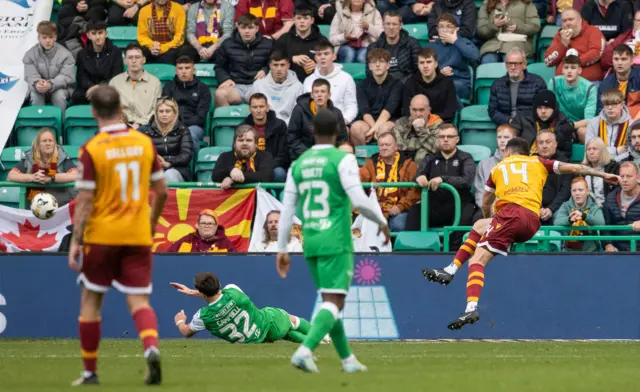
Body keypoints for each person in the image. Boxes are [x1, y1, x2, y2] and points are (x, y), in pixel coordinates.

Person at [421, 137, 619, 330]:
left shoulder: (498, 168)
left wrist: (495, 222)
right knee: (480, 226)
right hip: (532, 221)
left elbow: (486, 202)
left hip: (510, 215)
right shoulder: (539, 161)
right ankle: (450, 270)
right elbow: (575, 168)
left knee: (476, 261)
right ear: (528, 151)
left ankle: (470, 307)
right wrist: (602, 175)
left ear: (507, 152)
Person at [275, 109, 390, 373]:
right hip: (337, 239)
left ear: (312, 132)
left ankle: (348, 360)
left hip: (311, 241)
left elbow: (287, 209)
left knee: (331, 300)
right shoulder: (342, 160)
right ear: (339, 133)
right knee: (334, 301)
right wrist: (381, 222)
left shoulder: (299, 163)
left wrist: (281, 248)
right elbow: (360, 200)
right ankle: (304, 351)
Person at [67, 85, 168, 385]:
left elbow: (84, 200)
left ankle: (89, 373)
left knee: (90, 301)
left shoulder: (92, 150)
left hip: (102, 235)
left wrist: (76, 240)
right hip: (137, 234)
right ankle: (151, 348)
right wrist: (150, 223)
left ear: (94, 112)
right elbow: (161, 191)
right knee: (139, 302)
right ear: (121, 108)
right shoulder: (144, 143)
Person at [171, 272, 314, 343]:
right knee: (291, 320)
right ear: (219, 284)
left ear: (201, 292)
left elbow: (186, 332)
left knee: (286, 332)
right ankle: (322, 336)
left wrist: (180, 321)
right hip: (269, 323)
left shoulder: (202, 316)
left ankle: (319, 343)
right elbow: (218, 295)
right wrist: (195, 292)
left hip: (255, 339)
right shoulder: (233, 291)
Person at [410, 123, 478, 248]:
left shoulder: (465, 158)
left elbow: (467, 180)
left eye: (450, 136)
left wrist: (443, 179)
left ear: (457, 139)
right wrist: (419, 177)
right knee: (415, 210)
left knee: (467, 212)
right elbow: (418, 176)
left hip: (459, 204)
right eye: (442, 137)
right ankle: (414, 249)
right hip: (435, 205)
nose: (445, 139)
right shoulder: (430, 158)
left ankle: (453, 253)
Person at [359, 132, 420, 232]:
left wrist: (400, 207)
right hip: (375, 209)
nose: (384, 147)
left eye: (387, 145)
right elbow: (361, 176)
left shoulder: (408, 164)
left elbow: (415, 192)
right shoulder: (371, 163)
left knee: (397, 225)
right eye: (381, 145)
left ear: (395, 147)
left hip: (401, 210)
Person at [214, 14, 275, 106]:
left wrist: (266, 70)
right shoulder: (227, 44)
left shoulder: (268, 44)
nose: (247, 31)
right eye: (243, 28)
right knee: (220, 94)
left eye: (250, 28)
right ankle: (227, 120)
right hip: (235, 85)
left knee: (270, 96)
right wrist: (225, 79)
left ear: (257, 28)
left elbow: (276, 63)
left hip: (257, 86)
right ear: (237, 27)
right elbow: (219, 67)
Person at [8, 128, 77, 207]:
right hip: (34, 205)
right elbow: (11, 175)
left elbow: (75, 175)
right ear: (38, 144)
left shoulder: (62, 156)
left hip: (59, 205)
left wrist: (52, 178)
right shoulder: (30, 157)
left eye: (50, 141)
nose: (48, 143)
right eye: (44, 141)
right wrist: (32, 177)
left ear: (54, 143)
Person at [162, 55, 211, 157]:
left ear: (194, 70)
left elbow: (200, 117)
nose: (183, 71)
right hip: (171, 126)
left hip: (195, 127)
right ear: (176, 71)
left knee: (190, 134)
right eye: (180, 68)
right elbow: (165, 110)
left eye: (187, 68)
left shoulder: (203, 89)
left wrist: (181, 126)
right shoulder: (169, 87)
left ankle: (196, 167)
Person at [350, 48, 401, 145]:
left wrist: (374, 130)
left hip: (390, 120)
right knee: (356, 128)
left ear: (388, 65)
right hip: (369, 122)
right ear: (369, 66)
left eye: (381, 61)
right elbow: (364, 111)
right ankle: (364, 158)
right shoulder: (362, 85)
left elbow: (389, 110)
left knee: (384, 129)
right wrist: (374, 129)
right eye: (373, 62)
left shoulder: (397, 84)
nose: (377, 65)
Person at [289, 78, 349, 160]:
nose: (319, 95)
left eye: (323, 91)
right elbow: (293, 138)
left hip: (329, 157)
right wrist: (310, 154)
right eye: (316, 92)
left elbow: (342, 140)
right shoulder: (299, 110)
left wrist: (329, 154)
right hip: (304, 156)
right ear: (312, 95)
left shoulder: (336, 113)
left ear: (329, 95)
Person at [426, 13, 480, 101]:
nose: (444, 29)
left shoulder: (463, 42)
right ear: (437, 29)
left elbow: (475, 56)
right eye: (441, 26)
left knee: (447, 87)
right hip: (437, 81)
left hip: (460, 83)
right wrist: (438, 73)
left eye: (448, 26)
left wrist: (455, 41)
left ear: (456, 29)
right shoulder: (431, 46)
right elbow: (423, 68)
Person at [23, 21, 75, 112]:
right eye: (44, 37)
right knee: (35, 95)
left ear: (55, 37)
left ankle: (59, 123)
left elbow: (67, 76)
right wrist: (37, 83)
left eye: (51, 37)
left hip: (60, 88)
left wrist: (51, 84)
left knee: (58, 96)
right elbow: (30, 75)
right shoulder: (30, 54)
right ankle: (39, 124)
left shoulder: (66, 55)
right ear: (38, 37)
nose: (47, 40)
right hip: (39, 88)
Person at [488, 47, 547, 126]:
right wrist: (509, 121)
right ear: (506, 65)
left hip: (529, 125)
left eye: (516, 64)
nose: (512, 67)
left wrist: (523, 122)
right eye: (509, 63)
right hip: (506, 125)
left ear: (524, 65)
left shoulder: (538, 82)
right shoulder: (497, 85)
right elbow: (493, 111)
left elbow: (543, 109)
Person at [109, 43, 162, 130]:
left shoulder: (155, 83)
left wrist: (139, 124)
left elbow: (156, 110)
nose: (134, 61)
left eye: (137, 57)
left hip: (146, 126)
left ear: (144, 60)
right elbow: (110, 109)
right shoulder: (115, 82)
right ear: (125, 60)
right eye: (130, 58)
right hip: (121, 126)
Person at [304, 41, 359, 124]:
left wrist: (344, 120)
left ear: (334, 56)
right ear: (315, 58)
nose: (322, 57)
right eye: (319, 54)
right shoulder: (308, 80)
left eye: (326, 54)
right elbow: (305, 107)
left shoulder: (346, 78)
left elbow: (351, 105)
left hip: (339, 122)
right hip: (314, 123)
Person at [544, 9, 606, 82]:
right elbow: (548, 61)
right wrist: (563, 45)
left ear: (580, 20)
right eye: (564, 21)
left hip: (588, 82)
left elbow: (596, 52)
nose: (568, 23)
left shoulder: (593, 31)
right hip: (563, 83)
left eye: (571, 19)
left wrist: (574, 64)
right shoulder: (559, 36)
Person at [547, 54, 597, 143]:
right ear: (562, 70)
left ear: (579, 70)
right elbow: (549, 108)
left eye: (573, 68)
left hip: (578, 125)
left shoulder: (589, 88)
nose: (569, 71)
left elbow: (590, 120)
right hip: (558, 124)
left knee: (584, 132)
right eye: (566, 68)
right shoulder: (554, 83)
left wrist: (571, 125)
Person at [511, 89, 575, 159]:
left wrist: (549, 165)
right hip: (523, 163)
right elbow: (511, 145)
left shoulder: (563, 125)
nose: (543, 111)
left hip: (550, 165)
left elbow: (565, 154)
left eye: (546, 107)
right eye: (539, 108)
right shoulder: (522, 119)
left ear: (554, 109)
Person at [72, 21, 124, 106]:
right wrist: (91, 86)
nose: (97, 37)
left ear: (106, 33)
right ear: (88, 35)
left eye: (100, 33)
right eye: (94, 33)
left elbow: (117, 75)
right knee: (77, 97)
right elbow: (81, 76)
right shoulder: (82, 53)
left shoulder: (116, 52)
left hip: (109, 87)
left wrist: (99, 87)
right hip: (89, 88)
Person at [243, 93, 291, 182]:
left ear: (267, 108)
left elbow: (283, 155)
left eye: (261, 106)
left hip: (272, 166)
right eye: (255, 107)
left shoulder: (280, 126)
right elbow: (238, 153)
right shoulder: (242, 127)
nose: (258, 110)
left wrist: (266, 166)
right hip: (250, 166)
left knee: (279, 173)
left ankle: (275, 196)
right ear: (250, 109)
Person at [248, 51, 305, 125]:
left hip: (287, 129)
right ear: (270, 66)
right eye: (275, 65)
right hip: (265, 128)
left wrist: (283, 127)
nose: (279, 69)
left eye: (282, 65)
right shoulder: (258, 85)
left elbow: (297, 114)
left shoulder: (298, 87)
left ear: (288, 65)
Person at [402, 48, 457, 123]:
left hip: (440, 125)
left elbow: (449, 112)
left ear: (436, 64)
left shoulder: (447, 84)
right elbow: (407, 111)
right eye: (422, 63)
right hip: (415, 124)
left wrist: (430, 120)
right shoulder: (410, 84)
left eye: (429, 62)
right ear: (418, 65)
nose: (425, 66)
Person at [275, 5, 329, 83]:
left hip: (315, 84)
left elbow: (332, 62)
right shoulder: (284, 39)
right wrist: (292, 59)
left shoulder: (322, 40)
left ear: (312, 20)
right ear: (294, 20)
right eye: (299, 18)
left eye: (306, 18)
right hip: (287, 82)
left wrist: (318, 66)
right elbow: (273, 58)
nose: (302, 21)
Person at [144, 97, 194, 182]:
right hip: (155, 170)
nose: (164, 114)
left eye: (167, 111)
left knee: (169, 175)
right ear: (156, 113)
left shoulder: (182, 130)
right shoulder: (148, 132)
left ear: (174, 113)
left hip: (178, 170)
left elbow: (186, 155)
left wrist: (168, 163)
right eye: (161, 111)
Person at [476, 0, 541, 64]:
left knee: (511, 62)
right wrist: (494, 25)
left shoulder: (526, 3)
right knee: (488, 62)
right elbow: (481, 31)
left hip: (518, 44)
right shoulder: (487, 3)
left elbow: (535, 26)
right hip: (492, 46)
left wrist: (518, 28)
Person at [366, 10, 421, 82]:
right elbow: (369, 72)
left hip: (406, 85)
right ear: (383, 25)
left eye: (394, 24)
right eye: (388, 24)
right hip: (383, 86)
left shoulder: (412, 43)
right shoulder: (373, 47)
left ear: (400, 26)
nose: (391, 27)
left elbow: (418, 69)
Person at [553, 177, 605, 251]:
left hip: (591, 252)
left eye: (580, 190)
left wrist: (584, 216)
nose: (577, 193)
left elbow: (601, 223)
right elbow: (557, 222)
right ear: (571, 192)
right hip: (568, 252)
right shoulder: (566, 206)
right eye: (574, 190)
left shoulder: (594, 207)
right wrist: (569, 220)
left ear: (587, 191)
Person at [393, 94, 443, 167]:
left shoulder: (437, 124)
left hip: (428, 167)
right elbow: (397, 147)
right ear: (410, 109)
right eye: (414, 110)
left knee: (423, 154)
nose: (418, 114)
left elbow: (438, 148)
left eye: (421, 110)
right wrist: (425, 145)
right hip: (404, 165)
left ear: (429, 110)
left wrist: (421, 130)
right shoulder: (401, 123)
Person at [474, 124, 516, 209]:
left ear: (514, 139)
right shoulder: (484, 164)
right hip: (490, 210)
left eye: (506, 137)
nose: (502, 140)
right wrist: (489, 208)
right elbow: (480, 192)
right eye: (499, 137)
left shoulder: (522, 163)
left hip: (515, 211)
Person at [585, 88, 633, 160]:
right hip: (598, 162)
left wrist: (614, 161)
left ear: (622, 104)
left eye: (614, 104)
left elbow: (631, 151)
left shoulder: (631, 124)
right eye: (606, 105)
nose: (610, 108)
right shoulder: (593, 123)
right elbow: (590, 150)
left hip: (623, 162)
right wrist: (616, 150)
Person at [536, 131, 572, 224]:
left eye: (548, 142)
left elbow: (565, 191)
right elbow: (528, 190)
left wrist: (551, 209)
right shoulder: (531, 163)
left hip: (558, 208)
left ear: (555, 144)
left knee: (561, 218)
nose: (544, 146)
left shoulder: (565, 163)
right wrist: (539, 208)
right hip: (535, 208)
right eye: (540, 143)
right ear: (536, 146)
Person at [603, 161, 640, 252]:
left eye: (629, 176)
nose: (624, 180)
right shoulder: (611, 197)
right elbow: (605, 226)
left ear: (638, 177)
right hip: (618, 250)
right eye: (622, 176)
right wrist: (608, 244)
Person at [137, 0, 189, 64]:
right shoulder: (144, 11)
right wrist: (152, 45)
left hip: (171, 48)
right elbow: (142, 36)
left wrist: (162, 48)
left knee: (178, 52)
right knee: (136, 50)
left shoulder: (178, 9)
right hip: (153, 47)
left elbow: (180, 36)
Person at [597, 44, 640, 118]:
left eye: (624, 59)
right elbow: (601, 110)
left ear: (632, 61)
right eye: (616, 59)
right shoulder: (606, 84)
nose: (619, 63)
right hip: (614, 122)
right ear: (612, 61)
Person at [168, 209, 236, 252]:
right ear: (197, 225)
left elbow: (236, 265)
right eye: (203, 223)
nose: (206, 226)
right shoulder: (186, 240)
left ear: (216, 226)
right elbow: (168, 259)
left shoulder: (226, 244)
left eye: (210, 223)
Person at [582, 137, 620, 207]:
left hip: (607, 209)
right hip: (587, 209)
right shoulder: (582, 170)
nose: (591, 152)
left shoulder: (613, 168)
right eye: (588, 149)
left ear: (602, 151)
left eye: (595, 149)